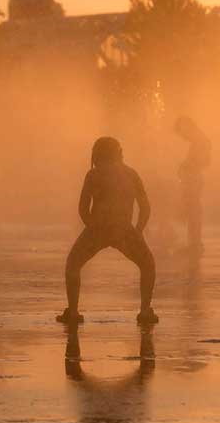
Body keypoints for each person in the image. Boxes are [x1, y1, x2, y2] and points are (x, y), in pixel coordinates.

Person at [57, 137, 159, 325]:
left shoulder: (94, 174)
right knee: (148, 265)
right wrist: (138, 230)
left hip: (98, 228)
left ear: (98, 155)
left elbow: (82, 208)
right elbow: (145, 207)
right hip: (124, 229)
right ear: (119, 153)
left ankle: (72, 312)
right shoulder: (131, 174)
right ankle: (145, 312)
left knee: (73, 264)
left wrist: (92, 229)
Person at [174, 117, 211, 256]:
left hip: (193, 180)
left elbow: (205, 161)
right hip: (193, 179)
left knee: (193, 211)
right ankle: (194, 243)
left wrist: (187, 166)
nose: (182, 137)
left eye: (181, 133)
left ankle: (195, 245)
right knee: (192, 211)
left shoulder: (200, 141)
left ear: (187, 127)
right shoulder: (199, 141)